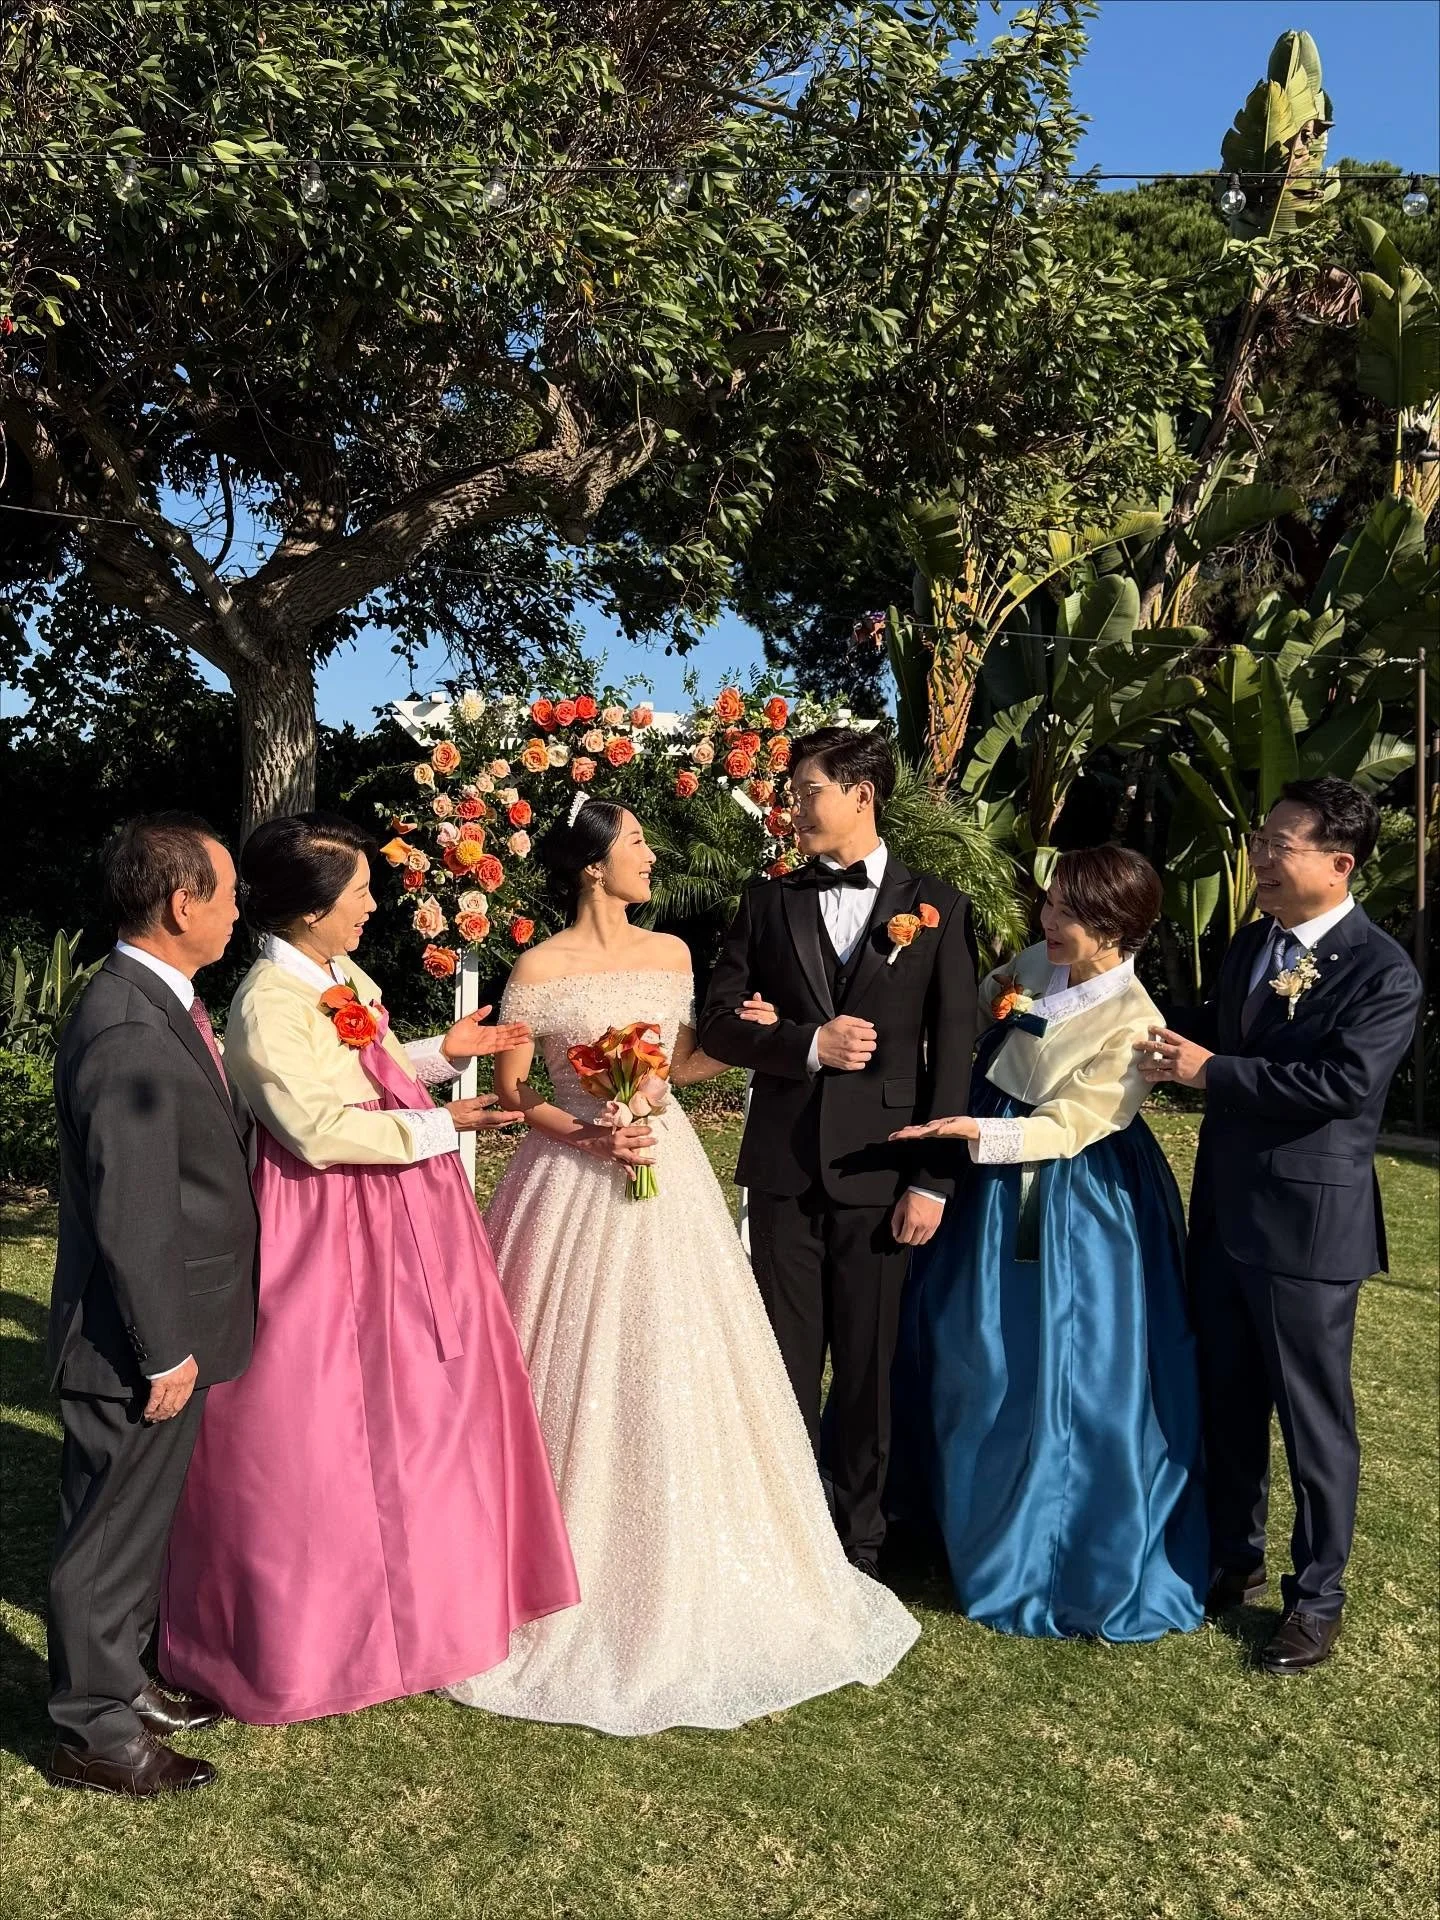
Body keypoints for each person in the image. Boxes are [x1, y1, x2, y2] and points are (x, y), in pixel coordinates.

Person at [445, 796, 919, 1735]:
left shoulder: (672, 955)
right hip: (570, 1182)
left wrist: (702, 1059)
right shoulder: (535, 969)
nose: (651, 856)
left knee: (680, 1355)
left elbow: (692, 1059)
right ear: (592, 865)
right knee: (562, 1361)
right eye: (635, 843)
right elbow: (512, 1090)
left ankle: (696, 1555)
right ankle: (549, 1564)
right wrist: (587, 1131)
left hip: (668, 1173)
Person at [160, 814, 578, 1724]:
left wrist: (444, 1056)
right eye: (358, 894)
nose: (371, 906)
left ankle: (429, 1605)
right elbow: (313, 1127)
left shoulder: (341, 975)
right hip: (324, 1217)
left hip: (395, 1207)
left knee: (420, 1404)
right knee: (317, 1419)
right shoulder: (269, 999)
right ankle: (319, 1626)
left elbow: (372, 1065)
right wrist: (446, 1126)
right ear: (311, 910)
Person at [887, 846, 1207, 1640]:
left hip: (1058, 1195)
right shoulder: (1038, 962)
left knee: (1040, 1357)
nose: (1047, 921)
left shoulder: (1135, 1023)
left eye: (1068, 911)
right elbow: (991, 1001)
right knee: (958, 1337)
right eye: (1052, 902)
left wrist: (978, 1131)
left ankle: (1047, 1550)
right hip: (986, 1167)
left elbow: (1069, 1126)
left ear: (1116, 927)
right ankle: (935, 1510)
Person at [1140, 777, 1423, 1674]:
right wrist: (1113, 1009)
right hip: (1223, 1212)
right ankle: (1233, 1561)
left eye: (1280, 845)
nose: (1260, 857)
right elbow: (1212, 1029)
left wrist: (1210, 1072)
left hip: (1307, 1230)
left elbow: (1341, 1086)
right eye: (1260, 840)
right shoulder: (1252, 944)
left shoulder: (1384, 971)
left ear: (1339, 865)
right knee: (1226, 1400)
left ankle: (1317, 1600)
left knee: (1312, 1421)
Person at [698, 727, 978, 1576]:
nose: (794, 805)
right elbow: (714, 1024)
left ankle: (861, 1541)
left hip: (885, 1169)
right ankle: (785, 1531)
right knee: (780, 1357)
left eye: (808, 788)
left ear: (862, 794)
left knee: (868, 1367)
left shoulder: (939, 906)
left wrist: (931, 1181)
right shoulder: (767, 900)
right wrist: (804, 1045)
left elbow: (955, 1050)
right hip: (782, 1167)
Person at [46, 814, 259, 1796]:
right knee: (107, 1529)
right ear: (183, 904)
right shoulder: (130, 1021)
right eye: (226, 893)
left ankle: (120, 1682)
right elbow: (134, 1205)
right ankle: (93, 1730)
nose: (235, 911)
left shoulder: (156, 998)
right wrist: (164, 1347)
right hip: (132, 1341)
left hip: (163, 1327)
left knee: (136, 1519)